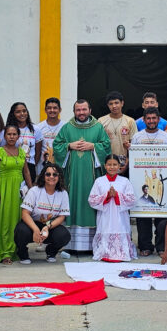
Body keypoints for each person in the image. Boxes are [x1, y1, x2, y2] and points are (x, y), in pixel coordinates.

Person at [53, 99, 112, 253]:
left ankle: (91, 245)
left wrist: (94, 146)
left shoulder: (98, 127)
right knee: (71, 202)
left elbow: (106, 146)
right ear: (74, 112)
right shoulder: (67, 128)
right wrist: (69, 146)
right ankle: (70, 245)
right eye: (78, 110)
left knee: (91, 203)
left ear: (90, 110)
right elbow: (57, 145)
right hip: (72, 176)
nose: (81, 113)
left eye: (84, 109)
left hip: (91, 177)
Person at [130, 106, 167, 256]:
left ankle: (161, 246)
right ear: (144, 120)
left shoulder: (166, 137)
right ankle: (145, 246)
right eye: (148, 118)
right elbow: (133, 159)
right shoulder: (137, 137)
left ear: (159, 119)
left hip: (161, 181)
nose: (151, 121)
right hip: (142, 180)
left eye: (154, 118)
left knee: (162, 213)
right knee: (142, 213)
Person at [0, 124, 32, 263]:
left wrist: (31, 190)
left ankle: (15, 250)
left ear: (18, 136)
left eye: (14, 134)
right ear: (4, 136)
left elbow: (26, 171)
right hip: (4, 188)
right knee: (5, 221)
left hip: (18, 191)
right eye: (9, 134)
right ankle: (4, 253)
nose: (11, 137)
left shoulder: (21, 152)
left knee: (16, 220)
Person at [16, 163, 71, 264]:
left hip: (50, 225)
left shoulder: (63, 193)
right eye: (48, 174)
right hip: (33, 224)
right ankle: (22, 253)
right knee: (20, 231)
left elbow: (62, 217)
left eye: (55, 174)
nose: (51, 177)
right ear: (43, 176)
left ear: (59, 177)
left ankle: (51, 252)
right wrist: (36, 229)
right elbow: (24, 214)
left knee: (64, 235)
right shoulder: (34, 191)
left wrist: (47, 227)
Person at [88, 154, 137, 262]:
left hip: (120, 215)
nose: (112, 167)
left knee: (120, 228)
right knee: (105, 229)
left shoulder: (124, 181)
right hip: (105, 214)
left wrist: (117, 195)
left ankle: (121, 253)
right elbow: (91, 200)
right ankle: (105, 252)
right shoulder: (99, 181)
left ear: (119, 166)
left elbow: (132, 199)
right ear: (105, 166)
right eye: (109, 165)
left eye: (115, 164)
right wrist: (106, 196)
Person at [99, 91, 137, 170]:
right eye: (111, 104)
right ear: (108, 105)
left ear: (122, 103)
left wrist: (128, 161)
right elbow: (98, 143)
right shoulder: (101, 121)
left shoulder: (130, 121)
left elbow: (133, 144)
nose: (114, 106)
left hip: (123, 163)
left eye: (116, 103)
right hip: (106, 162)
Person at [6, 102, 39, 179]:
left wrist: (32, 164)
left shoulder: (35, 129)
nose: (22, 114)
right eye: (18, 112)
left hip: (30, 166)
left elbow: (38, 152)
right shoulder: (8, 129)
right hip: (13, 166)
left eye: (24, 111)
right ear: (13, 114)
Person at [35, 97, 65, 173]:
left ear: (60, 110)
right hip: (42, 167)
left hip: (60, 166)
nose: (52, 110)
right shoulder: (38, 127)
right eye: (49, 108)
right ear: (45, 110)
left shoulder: (65, 127)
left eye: (55, 108)